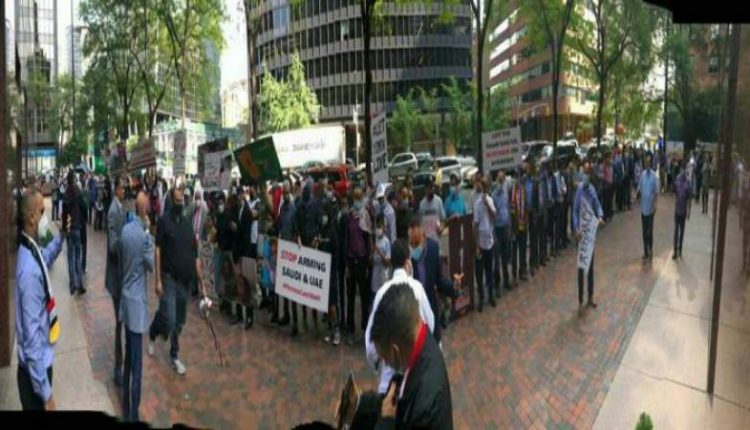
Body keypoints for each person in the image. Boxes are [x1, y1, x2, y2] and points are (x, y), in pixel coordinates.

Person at [369, 283, 453, 429]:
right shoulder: (423, 339)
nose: (385, 363)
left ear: (396, 352)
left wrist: (386, 422)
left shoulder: (423, 411)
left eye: (385, 358)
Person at [15, 188, 66, 410]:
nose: (46, 216)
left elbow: (45, 259)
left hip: (39, 370)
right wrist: (46, 394)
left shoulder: (31, 248)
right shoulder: (28, 271)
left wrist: (61, 236)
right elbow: (31, 338)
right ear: (32, 217)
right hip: (35, 378)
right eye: (42, 211)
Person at [147, 184, 205, 375]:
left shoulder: (187, 223)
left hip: (184, 280)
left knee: (179, 321)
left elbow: (195, 256)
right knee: (169, 319)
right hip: (168, 277)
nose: (181, 203)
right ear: (172, 201)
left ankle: (174, 355)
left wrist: (202, 284)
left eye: (183, 200)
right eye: (177, 200)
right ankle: (153, 332)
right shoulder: (164, 221)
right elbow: (157, 249)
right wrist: (157, 279)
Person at [365, 239, 435, 396]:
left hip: (388, 386)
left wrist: (381, 364)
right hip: (416, 382)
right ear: (408, 262)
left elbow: (370, 346)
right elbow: (430, 326)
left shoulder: (381, 293)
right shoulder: (417, 288)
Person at [118, 192, 155, 422]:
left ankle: (126, 404)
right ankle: (133, 414)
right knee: (137, 364)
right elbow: (151, 265)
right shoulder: (144, 237)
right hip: (137, 303)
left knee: (128, 357)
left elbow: (121, 257)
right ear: (145, 209)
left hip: (125, 297)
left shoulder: (125, 231)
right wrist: (148, 233)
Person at [408, 214, 461, 343]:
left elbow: (440, 282)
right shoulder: (407, 256)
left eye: (416, 243)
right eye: (411, 243)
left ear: (423, 236)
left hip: (430, 311)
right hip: (413, 316)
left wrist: (454, 286)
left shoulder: (433, 248)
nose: (413, 247)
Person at [572, 162, 605, 308]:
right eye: (583, 172)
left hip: (590, 234)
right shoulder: (579, 190)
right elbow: (575, 211)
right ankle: (580, 298)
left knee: (590, 267)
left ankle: (590, 297)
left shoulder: (592, 190)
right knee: (581, 267)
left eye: (587, 173)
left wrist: (600, 216)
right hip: (581, 234)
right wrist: (576, 228)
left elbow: (597, 205)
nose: (585, 175)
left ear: (590, 175)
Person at [344, 188, 373, 344]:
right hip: (351, 259)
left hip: (362, 260)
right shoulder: (349, 216)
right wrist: (347, 264)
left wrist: (368, 263)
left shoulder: (365, 216)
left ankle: (365, 326)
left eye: (359, 198)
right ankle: (350, 327)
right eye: (355, 198)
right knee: (350, 295)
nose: (357, 201)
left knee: (364, 295)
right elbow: (347, 239)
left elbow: (368, 239)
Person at [106, 174, 127, 387]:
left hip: (122, 276)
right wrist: (127, 236)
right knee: (120, 323)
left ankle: (121, 365)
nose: (125, 191)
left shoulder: (120, 208)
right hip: (116, 277)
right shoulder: (113, 211)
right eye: (122, 187)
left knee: (122, 322)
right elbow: (113, 246)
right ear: (116, 189)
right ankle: (117, 368)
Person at [276, 181, 300, 335]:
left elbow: (296, 231)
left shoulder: (293, 209)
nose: (285, 195)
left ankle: (295, 322)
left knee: (292, 288)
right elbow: (278, 226)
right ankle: (286, 315)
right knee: (284, 285)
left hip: (291, 251)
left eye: (286, 192)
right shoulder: (282, 209)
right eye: (283, 193)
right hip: (283, 249)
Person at [230, 186, 254, 330]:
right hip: (236, 252)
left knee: (246, 284)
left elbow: (246, 234)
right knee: (237, 284)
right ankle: (239, 314)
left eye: (240, 195)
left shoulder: (247, 213)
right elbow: (231, 224)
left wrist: (236, 228)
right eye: (237, 195)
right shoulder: (235, 209)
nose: (239, 197)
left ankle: (249, 316)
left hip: (245, 252)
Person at [473, 176, 497, 310]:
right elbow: (475, 225)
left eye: (486, 187)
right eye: (483, 187)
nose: (484, 190)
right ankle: (481, 298)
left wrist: (487, 204)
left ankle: (491, 295)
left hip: (490, 241)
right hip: (480, 244)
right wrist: (476, 246)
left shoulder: (490, 200)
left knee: (489, 271)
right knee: (479, 273)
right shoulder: (477, 204)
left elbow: (494, 215)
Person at [62, 170, 87, 295]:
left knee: (70, 257)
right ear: (74, 179)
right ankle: (79, 284)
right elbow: (84, 206)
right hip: (77, 227)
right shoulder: (78, 191)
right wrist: (85, 218)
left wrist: (63, 228)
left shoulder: (66, 193)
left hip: (69, 228)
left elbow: (64, 213)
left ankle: (72, 285)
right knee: (78, 256)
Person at [492, 170, 512, 293]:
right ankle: (497, 284)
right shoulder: (494, 195)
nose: (501, 182)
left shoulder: (505, 193)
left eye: (502, 180)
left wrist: (509, 224)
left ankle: (506, 281)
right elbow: (494, 213)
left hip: (505, 226)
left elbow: (507, 209)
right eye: (499, 180)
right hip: (497, 228)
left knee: (505, 255)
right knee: (497, 258)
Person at [637, 155, 659, 260]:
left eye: (649, 162)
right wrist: (637, 197)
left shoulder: (654, 176)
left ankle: (650, 249)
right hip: (643, 207)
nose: (647, 164)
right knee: (644, 231)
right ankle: (645, 251)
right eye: (646, 162)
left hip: (650, 209)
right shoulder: (642, 175)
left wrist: (655, 205)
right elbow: (639, 188)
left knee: (650, 231)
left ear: (651, 164)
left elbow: (656, 192)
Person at [510, 167, 528, 282]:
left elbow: (526, 206)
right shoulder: (511, 191)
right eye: (517, 177)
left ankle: (522, 271)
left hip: (523, 224)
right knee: (514, 252)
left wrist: (526, 221)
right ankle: (514, 274)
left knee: (523, 249)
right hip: (514, 226)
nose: (519, 179)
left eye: (520, 176)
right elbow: (511, 209)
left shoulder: (523, 190)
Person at [673, 165, 691, 260]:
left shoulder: (687, 184)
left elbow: (689, 199)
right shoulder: (677, 181)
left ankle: (680, 250)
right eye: (681, 170)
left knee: (682, 231)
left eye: (684, 170)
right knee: (676, 231)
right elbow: (674, 193)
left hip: (683, 211)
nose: (682, 172)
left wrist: (689, 211)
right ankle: (675, 251)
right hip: (677, 210)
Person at [371, 215, 391, 297]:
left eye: (379, 227)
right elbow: (371, 260)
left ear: (383, 228)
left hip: (383, 274)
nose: (378, 230)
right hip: (375, 274)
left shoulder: (386, 242)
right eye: (377, 227)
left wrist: (379, 252)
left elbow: (387, 263)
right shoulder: (375, 240)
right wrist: (371, 252)